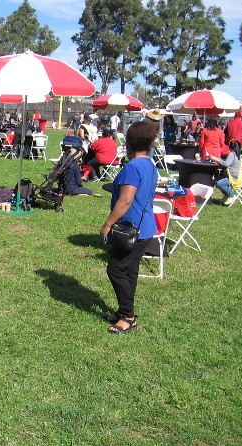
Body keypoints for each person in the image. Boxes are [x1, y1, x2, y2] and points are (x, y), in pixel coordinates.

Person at [100, 121, 158, 334]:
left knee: (115, 269)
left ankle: (128, 316)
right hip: (147, 227)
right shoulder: (150, 164)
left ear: (128, 142)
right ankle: (123, 310)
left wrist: (107, 224)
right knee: (129, 270)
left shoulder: (132, 167)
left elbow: (125, 201)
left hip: (131, 229)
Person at [209, 140, 242, 205]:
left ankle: (232, 195)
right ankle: (226, 195)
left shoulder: (231, 154)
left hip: (232, 178)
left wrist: (216, 159)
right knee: (216, 180)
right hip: (234, 176)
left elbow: (226, 164)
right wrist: (220, 160)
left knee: (219, 183)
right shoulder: (237, 154)